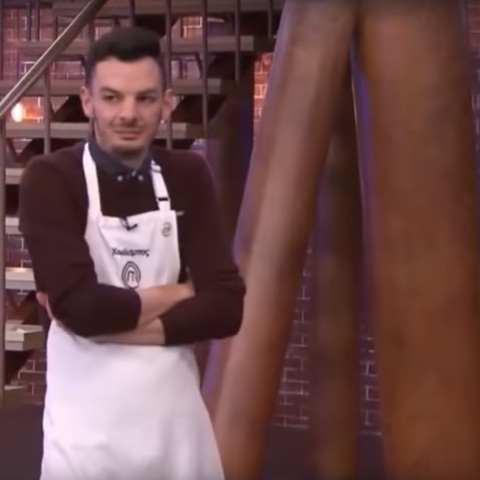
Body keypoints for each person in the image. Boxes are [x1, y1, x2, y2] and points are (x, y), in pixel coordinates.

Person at [19, 26, 245, 480]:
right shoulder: (50, 178)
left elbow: (226, 308)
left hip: (175, 428)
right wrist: (183, 292)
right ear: (87, 101)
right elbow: (81, 308)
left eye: (144, 99)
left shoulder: (188, 175)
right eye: (112, 98)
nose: (128, 113)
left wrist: (104, 328)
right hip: (85, 434)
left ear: (166, 104)